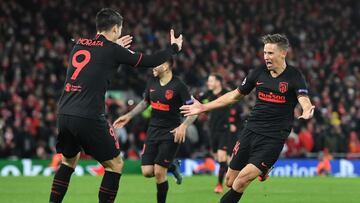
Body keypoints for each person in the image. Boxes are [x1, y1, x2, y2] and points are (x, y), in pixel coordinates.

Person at [49, 8, 183, 203]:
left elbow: (98, 61)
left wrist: (115, 49)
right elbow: (149, 61)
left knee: (68, 161)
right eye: (120, 29)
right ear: (115, 29)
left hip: (65, 114)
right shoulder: (112, 50)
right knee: (115, 165)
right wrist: (173, 49)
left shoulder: (79, 45)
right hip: (89, 116)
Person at [180, 34, 315, 203]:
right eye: (265, 53)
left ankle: (263, 167)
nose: (266, 57)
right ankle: (264, 171)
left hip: (273, 137)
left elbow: (304, 99)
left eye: (271, 53)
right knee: (230, 181)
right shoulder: (258, 73)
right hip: (250, 131)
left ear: (283, 54)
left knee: (241, 181)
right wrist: (204, 107)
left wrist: (307, 108)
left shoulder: (294, 76)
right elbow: (235, 95)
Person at [113, 58, 197, 203]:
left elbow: (194, 110)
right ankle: (172, 165)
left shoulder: (179, 85)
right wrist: (128, 116)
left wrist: (183, 126)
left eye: (156, 64)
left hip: (171, 132)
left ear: (165, 67)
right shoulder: (152, 82)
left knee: (159, 172)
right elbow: (145, 102)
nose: (152, 67)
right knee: (147, 172)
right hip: (153, 131)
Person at [200, 74, 234, 193]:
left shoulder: (227, 93)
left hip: (224, 129)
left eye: (211, 81)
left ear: (218, 82)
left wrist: (234, 122)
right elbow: (197, 103)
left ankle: (220, 184)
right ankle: (232, 170)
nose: (208, 83)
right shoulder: (207, 94)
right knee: (219, 159)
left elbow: (236, 107)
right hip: (212, 130)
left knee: (221, 156)